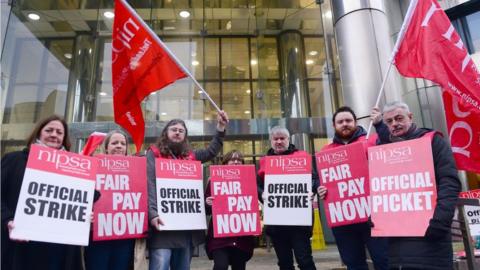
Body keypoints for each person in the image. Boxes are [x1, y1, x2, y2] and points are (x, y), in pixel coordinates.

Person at [370, 101, 461, 270]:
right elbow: (382, 189)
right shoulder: (384, 151)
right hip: (398, 247)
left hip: (431, 238)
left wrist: (440, 221)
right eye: (389, 121)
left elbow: (450, 183)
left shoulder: (433, 141)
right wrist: (377, 216)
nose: (394, 124)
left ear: (410, 117)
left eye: (399, 118)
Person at [147, 111, 229, 270]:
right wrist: (152, 214)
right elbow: (149, 183)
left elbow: (211, 151)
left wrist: (220, 127)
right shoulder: (154, 153)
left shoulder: (191, 156)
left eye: (181, 130)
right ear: (166, 133)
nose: (177, 132)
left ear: (185, 136)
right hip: (162, 225)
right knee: (160, 266)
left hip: (186, 229)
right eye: (174, 129)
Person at [1, 115, 83, 270]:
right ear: (38, 133)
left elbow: (87, 195)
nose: (54, 135)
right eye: (49, 130)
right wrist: (8, 220)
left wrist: (84, 211)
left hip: (59, 249)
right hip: (23, 247)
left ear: (64, 138)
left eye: (59, 132)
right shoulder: (14, 160)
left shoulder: (73, 167)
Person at [317, 106, 388, 270]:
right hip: (343, 220)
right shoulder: (325, 152)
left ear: (355, 123)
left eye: (348, 120)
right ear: (334, 126)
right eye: (340, 122)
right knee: (353, 264)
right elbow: (322, 180)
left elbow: (389, 146)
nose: (345, 124)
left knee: (383, 260)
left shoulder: (371, 140)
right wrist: (321, 188)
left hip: (373, 215)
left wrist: (380, 125)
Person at [257, 126, 319, 270]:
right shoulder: (265, 161)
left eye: (282, 138)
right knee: (284, 263)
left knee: (305, 260)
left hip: (299, 223)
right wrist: (262, 194)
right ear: (271, 141)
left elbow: (315, 179)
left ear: (288, 140)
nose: (279, 141)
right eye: (275, 139)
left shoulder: (302, 156)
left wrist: (311, 189)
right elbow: (257, 186)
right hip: (277, 224)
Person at [85, 130, 135, 270]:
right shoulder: (92, 166)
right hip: (97, 235)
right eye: (114, 143)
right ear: (106, 147)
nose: (119, 146)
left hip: (124, 237)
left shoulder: (136, 169)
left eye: (123, 143)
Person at [204, 150, 255, 270]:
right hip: (220, 238)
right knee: (220, 266)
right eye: (232, 159)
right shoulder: (214, 181)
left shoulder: (249, 180)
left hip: (241, 237)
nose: (236, 162)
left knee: (239, 267)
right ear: (225, 163)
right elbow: (207, 210)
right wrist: (207, 203)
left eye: (239, 160)